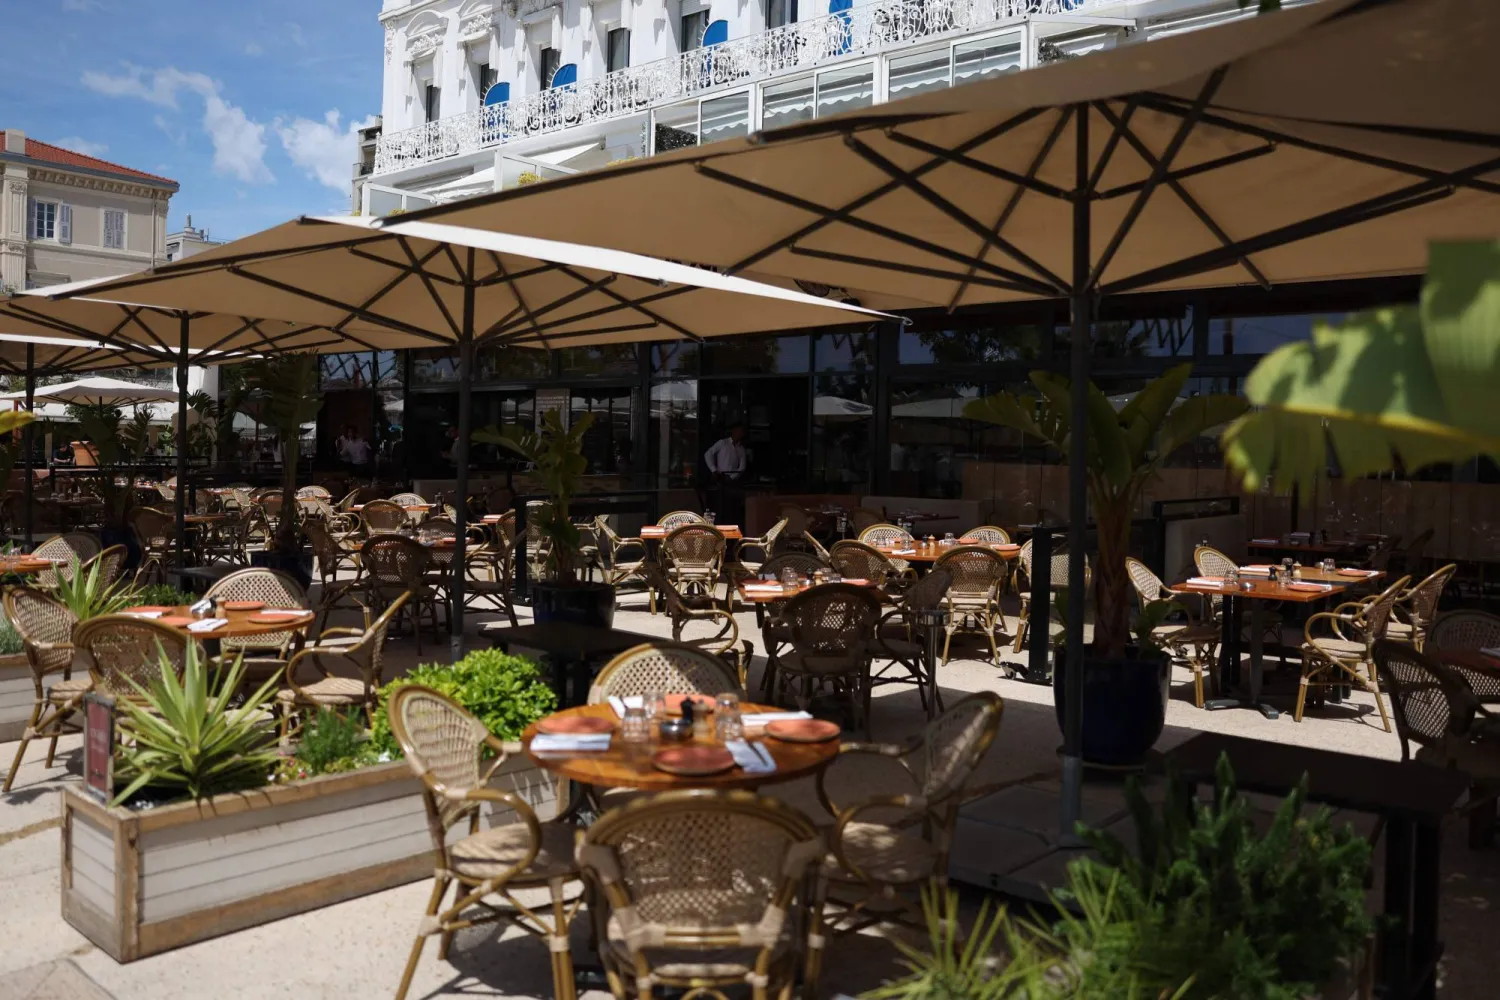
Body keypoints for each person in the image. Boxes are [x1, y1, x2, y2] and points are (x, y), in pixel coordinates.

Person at [703, 423, 748, 523]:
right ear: (733, 432)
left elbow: (742, 467)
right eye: (738, 431)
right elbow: (708, 454)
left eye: (742, 432)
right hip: (719, 478)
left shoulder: (741, 449)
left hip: (733, 481)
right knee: (718, 506)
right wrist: (713, 470)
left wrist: (732, 477)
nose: (740, 434)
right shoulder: (722, 443)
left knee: (731, 507)